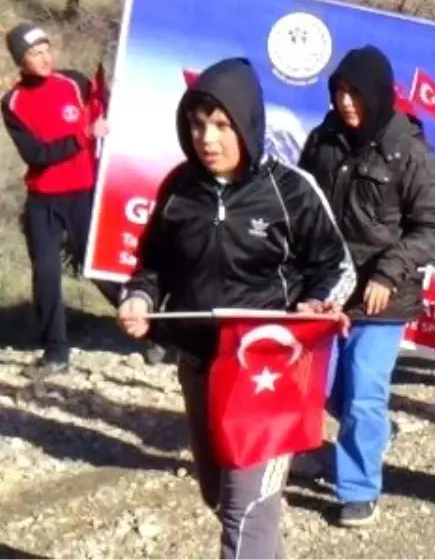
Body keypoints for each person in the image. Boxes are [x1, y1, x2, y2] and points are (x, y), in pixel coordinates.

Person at [115, 57, 357, 560]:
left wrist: (320, 302)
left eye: (222, 125)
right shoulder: (179, 188)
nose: (207, 137)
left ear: (247, 122)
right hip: (201, 366)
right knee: (219, 494)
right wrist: (138, 298)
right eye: (198, 123)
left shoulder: (291, 190)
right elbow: (151, 267)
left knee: (246, 514)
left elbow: (337, 267)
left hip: (266, 372)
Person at [297, 45, 435, 527]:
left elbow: (431, 228)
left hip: (382, 300)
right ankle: (376, 431)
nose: (345, 102)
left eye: (355, 92)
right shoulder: (322, 140)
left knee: (363, 390)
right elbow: (301, 206)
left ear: (378, 94)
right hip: (327, 293)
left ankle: (358, 488)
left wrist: (387, 272)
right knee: (319, 388)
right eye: (339, 91)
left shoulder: (411, 150)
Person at [1, 22, 124, 380]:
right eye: (34, 53)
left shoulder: (73, 81)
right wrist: (83, 136)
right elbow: (36, 154)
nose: (44, 58)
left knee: (96, 266)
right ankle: (56, 351)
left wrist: (111, 95)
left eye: (46, 49)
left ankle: (150, 330)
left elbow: (101, 101)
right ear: (20, 61)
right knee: (47, 272)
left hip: (82, 193)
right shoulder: (12, 103)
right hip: (43, 200)